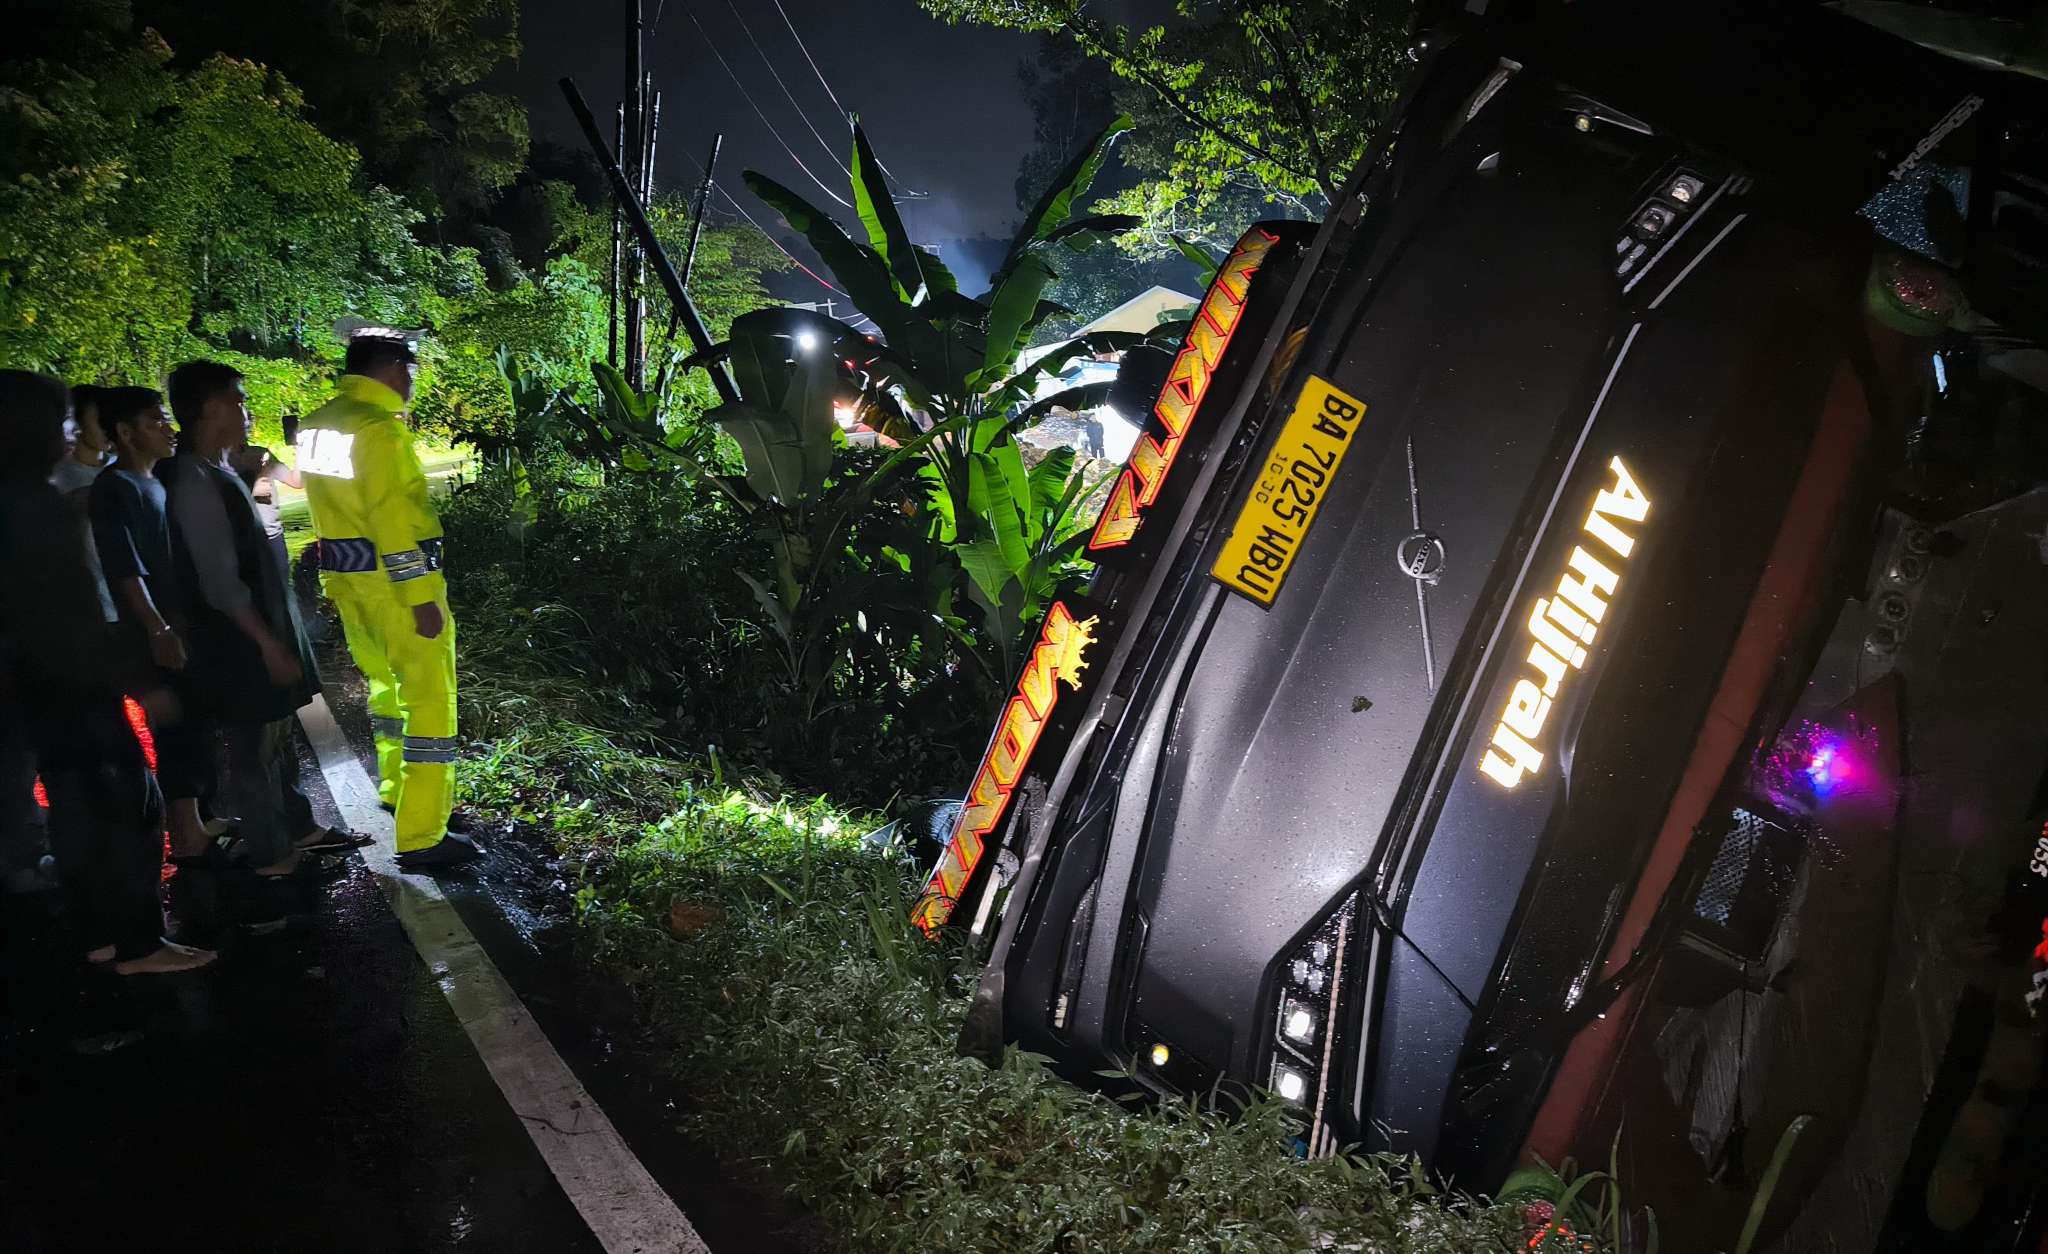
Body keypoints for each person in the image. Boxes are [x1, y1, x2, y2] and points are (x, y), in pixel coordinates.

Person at [0, 369, 213, 975]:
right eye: (63, 422)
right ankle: (140, 943)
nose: (70, 434)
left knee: (74, 810)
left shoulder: (16, 500)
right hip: (75, 686)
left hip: (35, 688)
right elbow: (72, 615)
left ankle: (98, 934)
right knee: (127, 805)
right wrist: (139, 684)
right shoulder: (39, 507)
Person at [161, 362, 343, 883]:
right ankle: (272, 857)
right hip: (238, 642)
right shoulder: (194, 479)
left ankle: (295, 829)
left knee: (275, 739)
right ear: (210, 408)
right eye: (238, 401)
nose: (246, 411)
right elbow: (219, 579)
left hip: (258, 629)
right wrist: (267, 643)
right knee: (252, 750)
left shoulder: (221, 468)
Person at [300, 333, 476, 868]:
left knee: (387, 693)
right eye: (412, 370)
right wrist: (420, 595)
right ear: (395, 368)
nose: (413, 381)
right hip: (396, 590)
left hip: (350, 584)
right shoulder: (379, 429)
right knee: (429, 702)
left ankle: (399, 790)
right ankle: (424, 832)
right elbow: (391, 518)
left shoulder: (318, 424)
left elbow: (329, 506)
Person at [89, 387, 216, 862]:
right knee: (174, 726)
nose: (168, 429)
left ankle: (198, 819)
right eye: (154, 421)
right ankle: (185, 834)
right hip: (149, 632)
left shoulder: (156, 480)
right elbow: (124, 568)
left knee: (193, 720)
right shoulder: (114, 488)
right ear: (125, 432)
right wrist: (156, 628)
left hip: (177, 622)